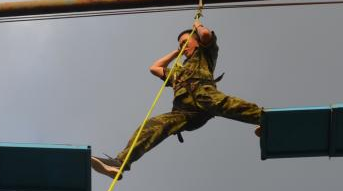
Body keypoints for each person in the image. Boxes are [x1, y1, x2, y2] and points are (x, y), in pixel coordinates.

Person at [90, 18, 263, 179]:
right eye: (180, 44)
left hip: (204, 96)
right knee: (152, 126)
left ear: (196, 42)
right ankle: (120, 162)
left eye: (185, 42)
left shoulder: (205, 54)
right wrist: (176, 52)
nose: (183, 46)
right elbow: (154, 68)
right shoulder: (177, 72)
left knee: (226, 105)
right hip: (185, 113)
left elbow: (205, 35)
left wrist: (198, 25)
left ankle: (265, 119)